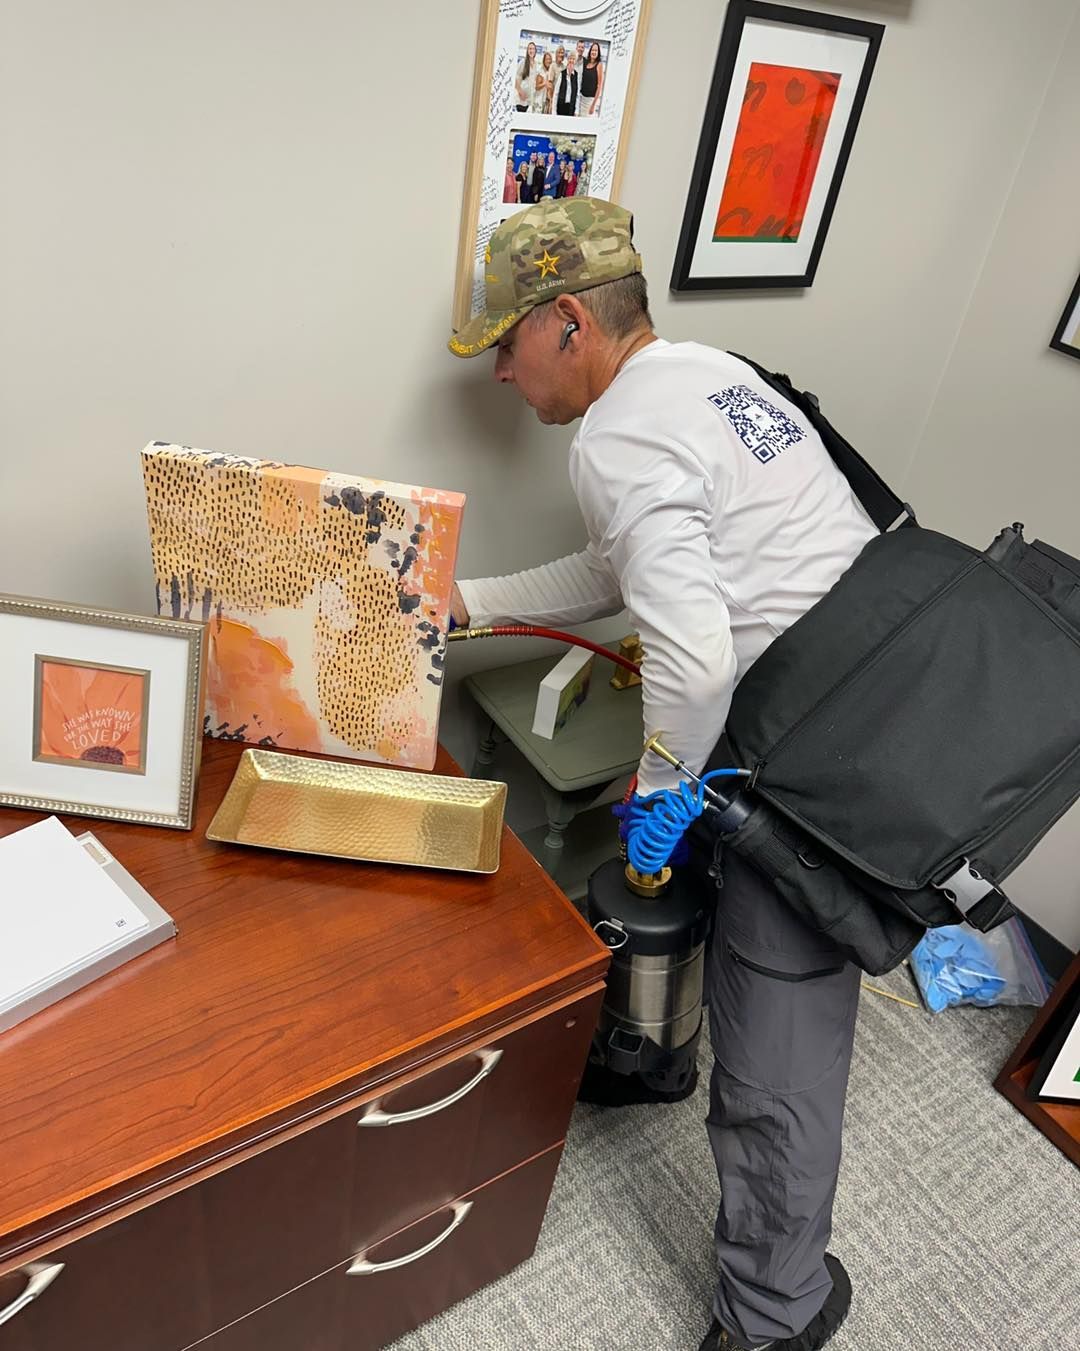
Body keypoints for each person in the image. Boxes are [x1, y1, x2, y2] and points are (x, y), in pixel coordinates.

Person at [447, 197, 871, 1351]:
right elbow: (621, 562)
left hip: (821, 763)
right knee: (679, 890)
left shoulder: (619, 433)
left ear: (569, 322)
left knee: (777, 1048)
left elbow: (690, 657)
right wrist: (471, 603)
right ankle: (655, 1061)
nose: (498, 374)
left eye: (504, 344)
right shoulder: (698, 373)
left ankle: (775, 1314)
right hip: (825, 694)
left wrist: (660, 796)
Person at [581, 40, 604, 115]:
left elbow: (599, 86)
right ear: (590, 51)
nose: (594, 52)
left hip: (590, 101)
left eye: (596, 50)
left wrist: (593, 105)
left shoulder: (599, 65)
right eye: (592, 50)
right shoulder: (585, 62)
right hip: (581, 99)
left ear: (598, 53)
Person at [515, 41, 536, 112]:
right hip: (521, 99)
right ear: (527, 50)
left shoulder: (535, 64)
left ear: (535, 51)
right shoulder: (522, 62)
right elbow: (515, 78)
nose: (531, 51)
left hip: (529, 100)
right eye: (530, 49)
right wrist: (520, 92)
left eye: (533, 49)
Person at [533, 49, 554, 114]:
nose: (548, 61)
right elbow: (536, 87)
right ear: (544, 61)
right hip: (539, 101)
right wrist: (545, 83)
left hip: (547, 102)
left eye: (550, 59)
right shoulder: (540, 71)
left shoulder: (551, 72)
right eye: (547, 59)